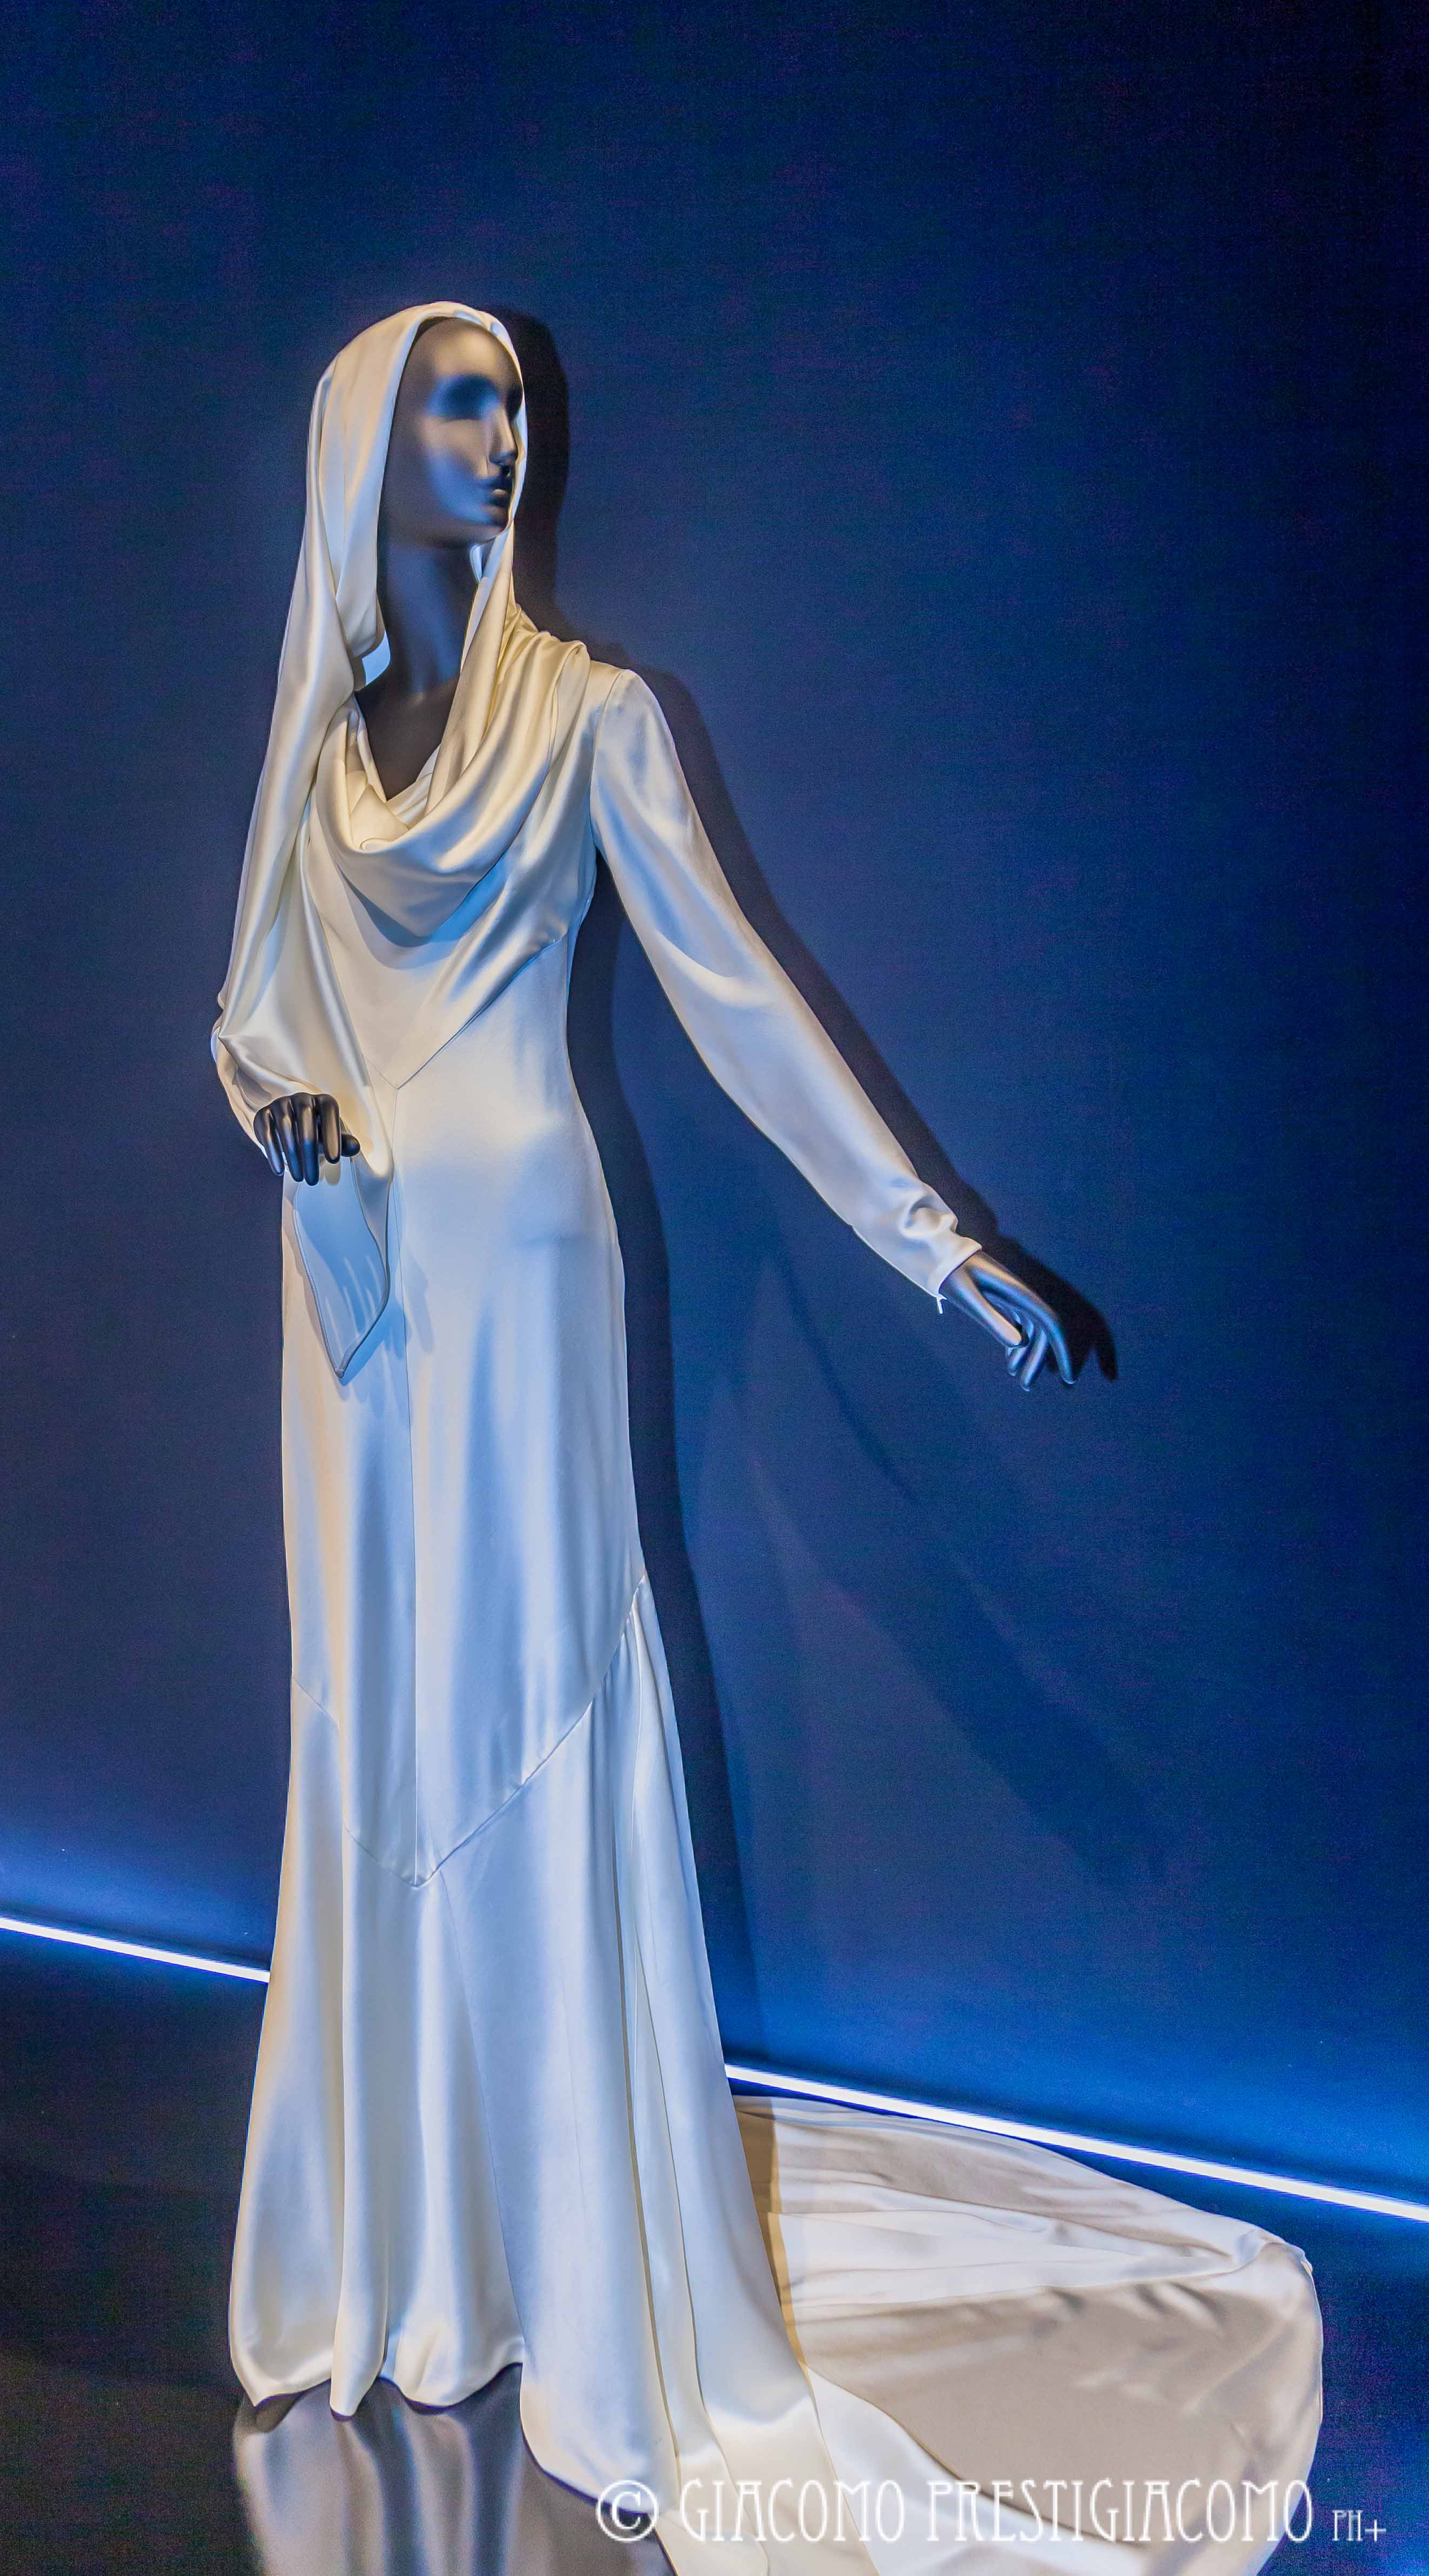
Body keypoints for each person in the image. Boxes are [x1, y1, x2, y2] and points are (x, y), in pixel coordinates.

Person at [214, 304, 1320, 2576]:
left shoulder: (595, 719)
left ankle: (576, 2285)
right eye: (456, 401)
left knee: (534, 1717)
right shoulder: (316, 752)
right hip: (352, 1313)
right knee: (374, 1723)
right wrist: (288, 1111)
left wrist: (937, 1239)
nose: (503, 435)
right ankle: (412, 2250)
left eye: (512, 402)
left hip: (526, 1267)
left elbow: (737, 995)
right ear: (363, 443)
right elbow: (249, 1016)